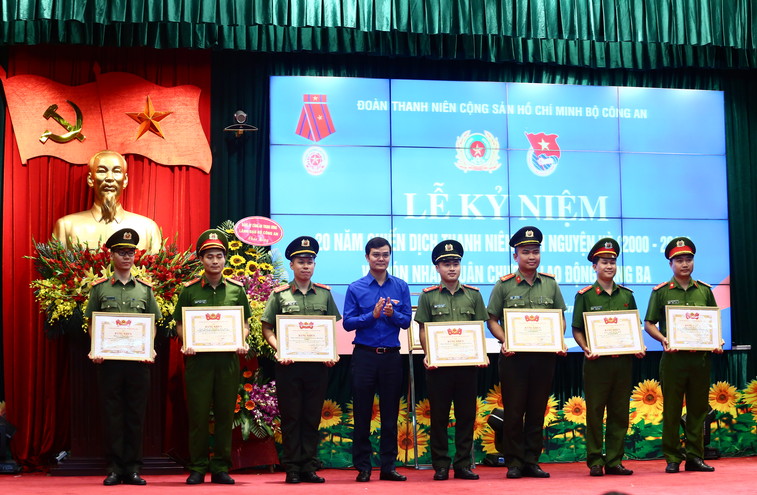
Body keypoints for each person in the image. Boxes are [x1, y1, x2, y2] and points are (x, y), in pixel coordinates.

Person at [485, 226, 566, 479]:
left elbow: (560, 318)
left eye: (535, 251)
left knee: (537, 410)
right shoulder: (504, 285)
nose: (531, 256)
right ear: (515, 256)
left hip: (543, 358)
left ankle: (532, 460)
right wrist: (505, 340)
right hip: (514, 359)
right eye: (526, 252)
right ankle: (514, 462)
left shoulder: (550, 284)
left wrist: (558, 339)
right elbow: (492, 320)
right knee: (514, 411)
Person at [84, 228, 162, 486]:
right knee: (112, 415)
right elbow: (92, 323)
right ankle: (115, 468)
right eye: (121, 252)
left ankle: (133, 468)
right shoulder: (99, 289)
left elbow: (152, 323)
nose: (127, 257)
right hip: (109, 363)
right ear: (111, 255)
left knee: (135, 415)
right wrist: (95, 347)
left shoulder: (145, 290)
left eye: (130, 252)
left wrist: (149, 348)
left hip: (138, 362)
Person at [261, 236, 341, 484]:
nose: (306, 266)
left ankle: (308, 466)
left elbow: (331, 327)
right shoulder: (280, 295)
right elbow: (267, 328)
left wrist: (332, 352)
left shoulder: (324, 294)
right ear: (291, 265)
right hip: (289, 366)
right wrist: (280, 349)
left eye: (310, 262)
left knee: (311, 416)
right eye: (301, 262)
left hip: (317, 367)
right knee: (292, 416)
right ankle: (292, 467)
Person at [174, 229, 252, 485]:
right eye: (209, 256)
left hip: (227, 361)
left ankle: (220, 467)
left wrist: (241, 340)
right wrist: (187, 341)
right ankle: (197, 467)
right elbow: (180, 324)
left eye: (219, 256)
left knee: (225, 415)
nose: (215, 261)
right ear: (201, 259)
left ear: (225, 259)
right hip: (199, 362)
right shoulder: (189, 291)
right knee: (197, 416)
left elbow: (245, 324)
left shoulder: (236, 290)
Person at [644, 237, 722, 474]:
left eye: (688, 259)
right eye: (679, 260)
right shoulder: (661, 292)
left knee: (698, 410)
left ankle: (695, 457)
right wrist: (663, 339)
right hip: (674, 359)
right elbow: (649, 324)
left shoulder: (704, 291)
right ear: (671, 264)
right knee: (672, 410)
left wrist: (717, 340)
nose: (685, 264)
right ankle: (672, 457)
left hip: (700, 359)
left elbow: (713, 322)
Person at [415, 240, 489, 481]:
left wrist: (481, 353)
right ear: (437, 268)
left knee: (466, 416)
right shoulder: (428, 296)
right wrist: (428, 354)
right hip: (439, 367)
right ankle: (440, 465)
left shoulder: (473, 295)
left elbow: (479, 329)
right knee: (439, 417)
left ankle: (463, 464)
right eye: (446, 264)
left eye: (455, 263)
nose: (452, 268)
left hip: (467, 366)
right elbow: (423, 329)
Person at [572, 238, 644, 477]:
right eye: (604, 262)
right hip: (596, 363)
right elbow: (577, 329)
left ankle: (614, 460)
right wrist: (586, 347)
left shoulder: (627, 295)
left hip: (622, 362)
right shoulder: (585, 295)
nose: (609, 266)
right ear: (595, 266)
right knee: (594, 413)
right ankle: (595, 460)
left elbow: (634, 327)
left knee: (619, 412)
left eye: (612, 262)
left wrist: (638, 345)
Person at [343, 237, 412, 482]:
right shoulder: (356, 287)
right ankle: (363, 467)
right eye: (376, 255)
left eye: (385, 254)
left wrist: (393, 315)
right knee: (362, 414)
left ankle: (388, 467)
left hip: (391, 357)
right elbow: (348, 323)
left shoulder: (400, 286)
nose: (381, 259)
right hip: (365, 356)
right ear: (367, 257)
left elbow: (406, 321)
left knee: (390, 415)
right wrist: (371, 316)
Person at [53, 150, 162, 252]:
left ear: (125, 180)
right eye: (102, 171)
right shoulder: (66, 227)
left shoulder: (148, 229)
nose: (109, 178)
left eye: (116, 171)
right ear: (90, 179)